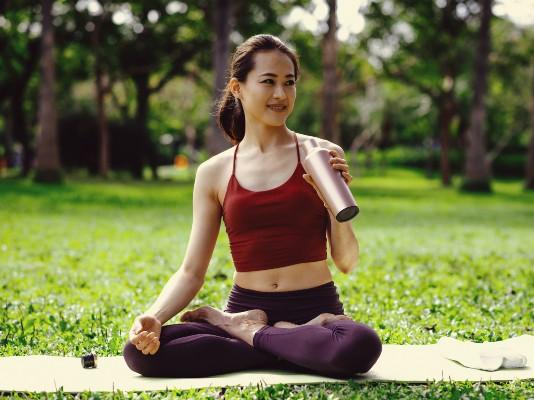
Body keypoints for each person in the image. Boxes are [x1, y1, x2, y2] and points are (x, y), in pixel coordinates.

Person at [122, 34, 382, 378]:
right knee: (141, 354)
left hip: (315, 311)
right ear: (237, 88)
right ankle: (284, 343)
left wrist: (333, 204)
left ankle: (248, 334)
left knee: (359, 344)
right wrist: (154, 317)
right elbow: (191, 272)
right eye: (268, 82)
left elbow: (346, 263)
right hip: (246, 306)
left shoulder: (322, 154)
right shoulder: (213, 172)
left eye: (289, 83)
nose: (281, 94)